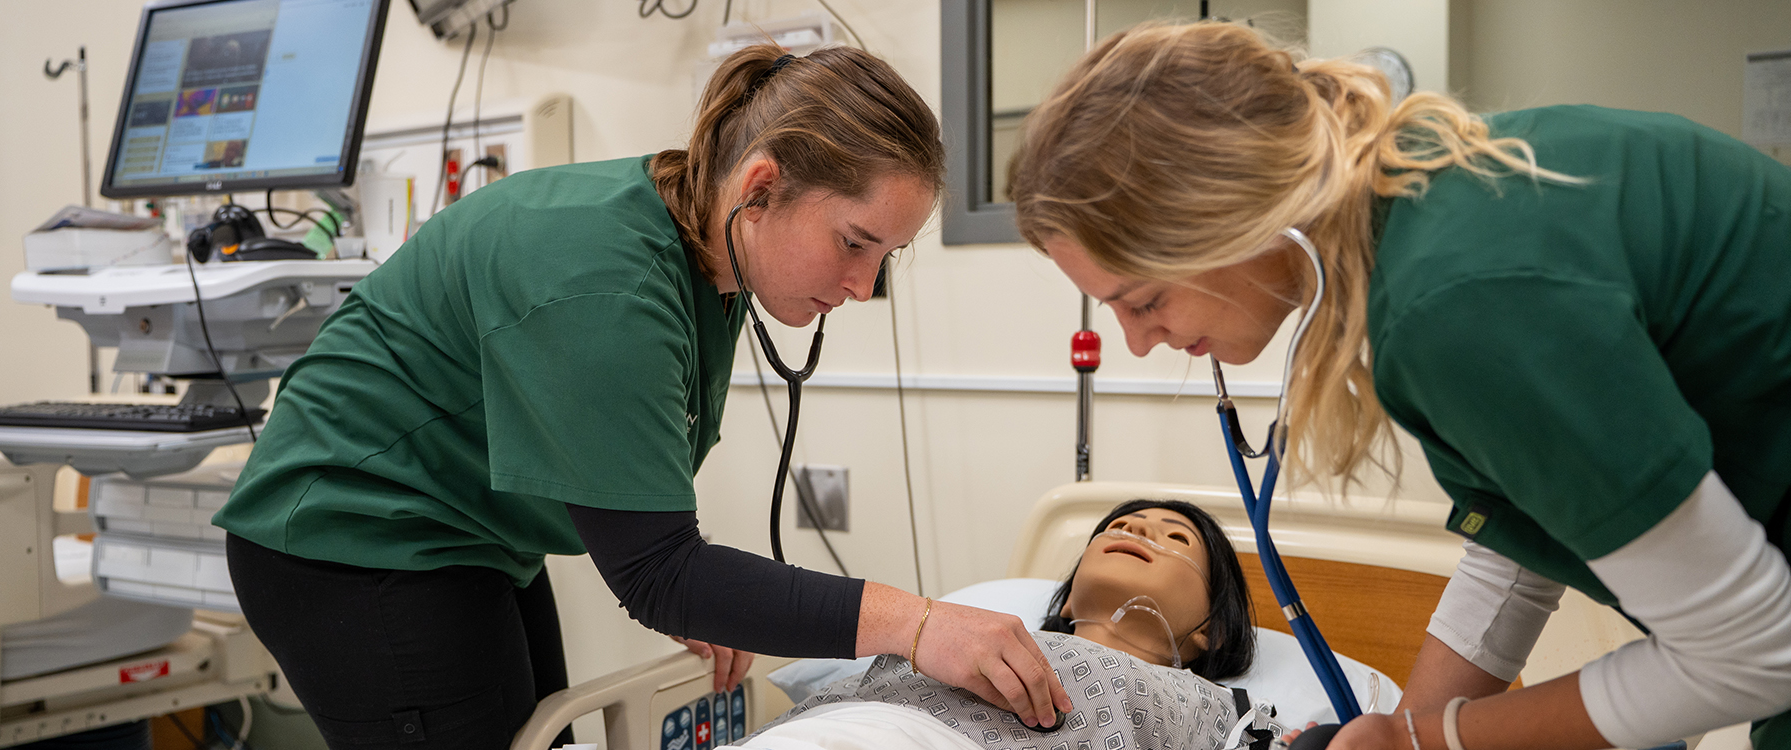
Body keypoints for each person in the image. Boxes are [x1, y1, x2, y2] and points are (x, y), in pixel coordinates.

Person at [210, 44, 1071, 750]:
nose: (859, 285)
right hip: (351, 540)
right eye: (854, 243)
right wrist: (920, 625)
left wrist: (709, 591)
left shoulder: (706, 250)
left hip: (466, 535)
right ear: (760, 187)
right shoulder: (606, 281)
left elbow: (648, 531)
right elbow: (659, 570)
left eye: (884, 257)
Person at [1008, 20, 1791, 750]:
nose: (1139, 345)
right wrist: (1406, 731)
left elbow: (1755, 654)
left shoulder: (1457, 303)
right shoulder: (1443, 205)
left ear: (1230, 217)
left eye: (1143, 302)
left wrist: (1428, 738)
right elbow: (1523, 539)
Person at [750, 500, 1277, 750]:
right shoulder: (953, 634)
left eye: (1176, 539)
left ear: (1214, 630)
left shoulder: (1192, 697)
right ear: (1068, 600)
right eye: (1118, 526)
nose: (1136, 527)